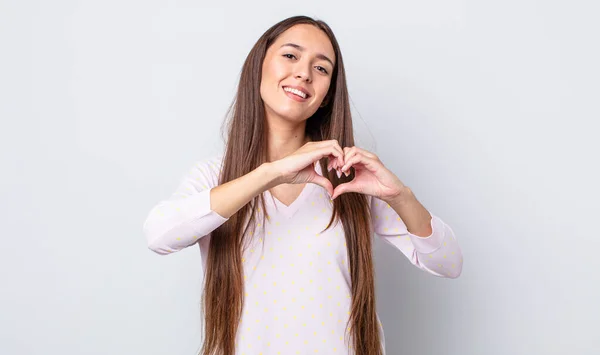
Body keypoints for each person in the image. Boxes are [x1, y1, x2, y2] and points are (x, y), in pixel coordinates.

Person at [143, 15, 463, 355]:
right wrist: (270, 173)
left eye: (321, 68)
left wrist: (401, 197)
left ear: (325, 96)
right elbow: (159, 235)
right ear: (259, 67)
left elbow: (448, 262)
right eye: (291, 56)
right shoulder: (216, 177)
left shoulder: (348, 179)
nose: (304, 73)